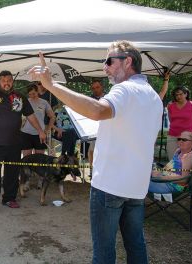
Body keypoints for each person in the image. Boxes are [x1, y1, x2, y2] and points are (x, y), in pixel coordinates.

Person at [29, 41, 163, 263]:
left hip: (110, 185)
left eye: (109, 61)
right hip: (137, 187)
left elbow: (97, 110)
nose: (105, 67)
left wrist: (51, 85)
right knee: (136, 245)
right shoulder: (153, 96)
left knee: (103, 251)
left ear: (127, 61)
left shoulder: (125, 89)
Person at [0, 70, 46, 216]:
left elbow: (30, 115)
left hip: (14, 142)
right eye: (3, 80)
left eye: (9, 80)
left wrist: (40, 130)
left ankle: (9, 198)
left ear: (12, 81)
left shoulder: (19, 97)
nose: (6, 83)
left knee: (12, 173)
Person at [166, 85, 192, 160]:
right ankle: (174, 172)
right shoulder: (170, 106)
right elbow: (171, 120)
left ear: (186, 94)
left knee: (185, 160)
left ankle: (184, 172)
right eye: (176, 95)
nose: (178, 96)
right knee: (172, 159)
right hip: (173, 135)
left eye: (181, 94)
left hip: (187, 137)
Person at [21, 83, 55, 157]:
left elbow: (52, 117)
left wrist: (48, 130)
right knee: (27, 158)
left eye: (34, 93)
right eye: (30, 94)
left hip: (40, 134)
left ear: (37, 92)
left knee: (39, 159)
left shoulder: (44, 102)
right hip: (26, 133)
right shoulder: (25, 102)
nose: (32, 96)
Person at [88, 80, 105, 172]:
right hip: (93, 128)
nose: (95, 89)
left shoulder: (109, 97)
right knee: (92, 150)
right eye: (93, 88)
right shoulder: (90, 99)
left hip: (107, 128)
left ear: (102, 87)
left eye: (97, 87)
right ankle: (91, 170)